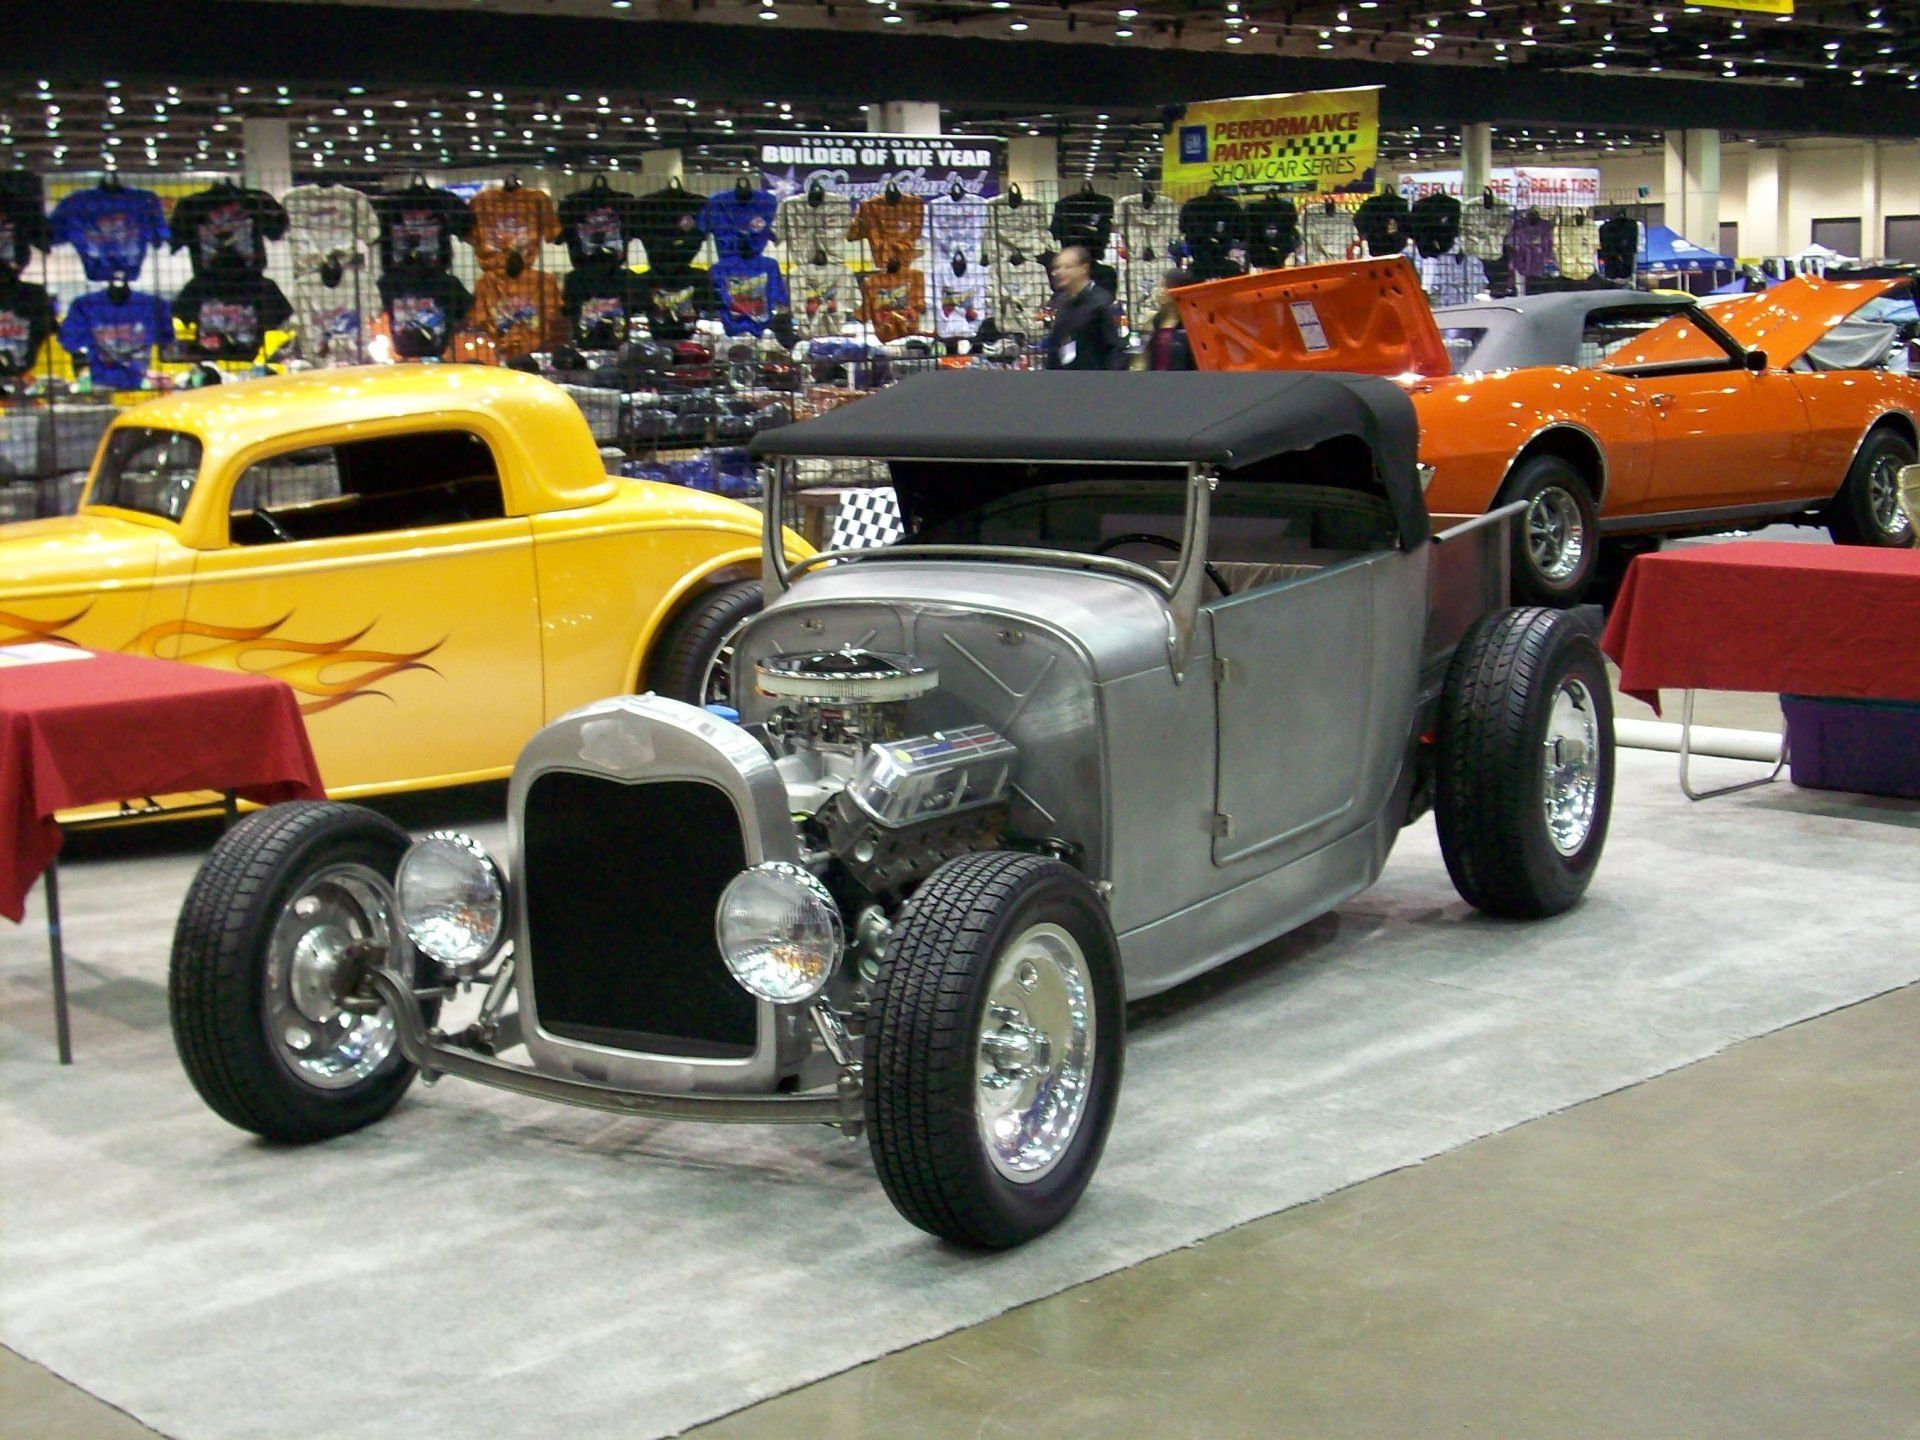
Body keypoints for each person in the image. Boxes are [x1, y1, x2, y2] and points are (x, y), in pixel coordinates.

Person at [1044, 244, 1124, 370]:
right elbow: (1055, 349)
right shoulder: (1061, 303)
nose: (1059, 272)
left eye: (1067, 267)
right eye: (1057, 267)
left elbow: (1115, 350)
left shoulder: (1101, 302)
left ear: (1084, 268)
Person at [1134, 268, 1197, 372]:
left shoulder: (1192, 325)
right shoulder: (1152, 320)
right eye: (1160, 286)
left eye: (1165, 286)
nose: (1160, 291)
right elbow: (1141, 354)